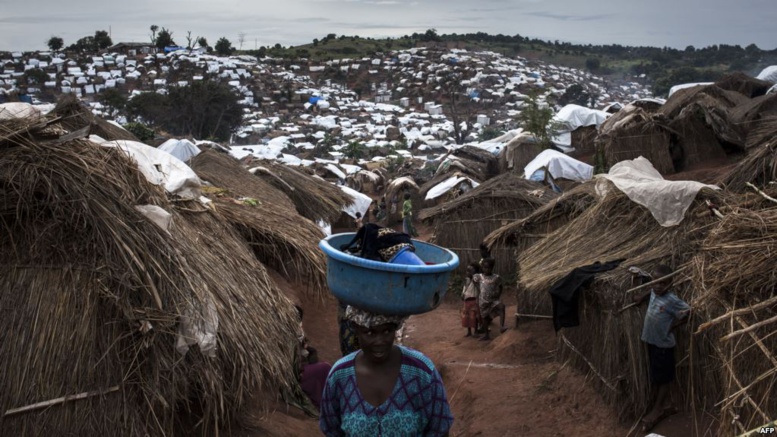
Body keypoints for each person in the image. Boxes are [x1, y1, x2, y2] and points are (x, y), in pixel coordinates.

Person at [320, 306, 454, 437]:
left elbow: (440, 430)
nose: (379, 341)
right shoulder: (339, 376)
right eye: (370, 333)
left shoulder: (422, 372)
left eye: (387, 331)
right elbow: (332, 430)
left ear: (395, 328)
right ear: (356, 329)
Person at [632, 264, 690, 432]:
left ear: (670, 284)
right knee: (657, 375)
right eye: (655, 282)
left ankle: (658, 408)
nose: (658, 286)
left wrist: (672, 326)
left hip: (663, 346)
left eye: (663, 283)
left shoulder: (672, 300)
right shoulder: (653, 292)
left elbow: (688, 312)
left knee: (664, 378)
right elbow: (649, 292)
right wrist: (640, 297)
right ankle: (657, 402)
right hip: (651, 343)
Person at [474, 258, 506, 341]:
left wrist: (498, 294)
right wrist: (479, 289)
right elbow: (474, 281)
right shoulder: (479, 277)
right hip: (483, 301)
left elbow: (500, 286)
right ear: (482, 268)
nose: (486, 269)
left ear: (492, 268)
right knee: (484, 318)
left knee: (501, 307)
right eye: (485, 268)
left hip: (493, 300)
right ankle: (486, 334)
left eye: (489, 268)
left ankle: (502, 326)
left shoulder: (496, 277)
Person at [461, 262, 482, 337]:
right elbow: (465, 288)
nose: (468, 272)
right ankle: (469, 331)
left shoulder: (476, 279)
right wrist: (462, 294)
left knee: (474, 316)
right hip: (467, 300)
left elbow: (478, 287)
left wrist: (473, 278)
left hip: (474, 300)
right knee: (467, 317)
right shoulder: (467, 280)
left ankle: (475, 331)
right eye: (467, 270)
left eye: (470, 271)